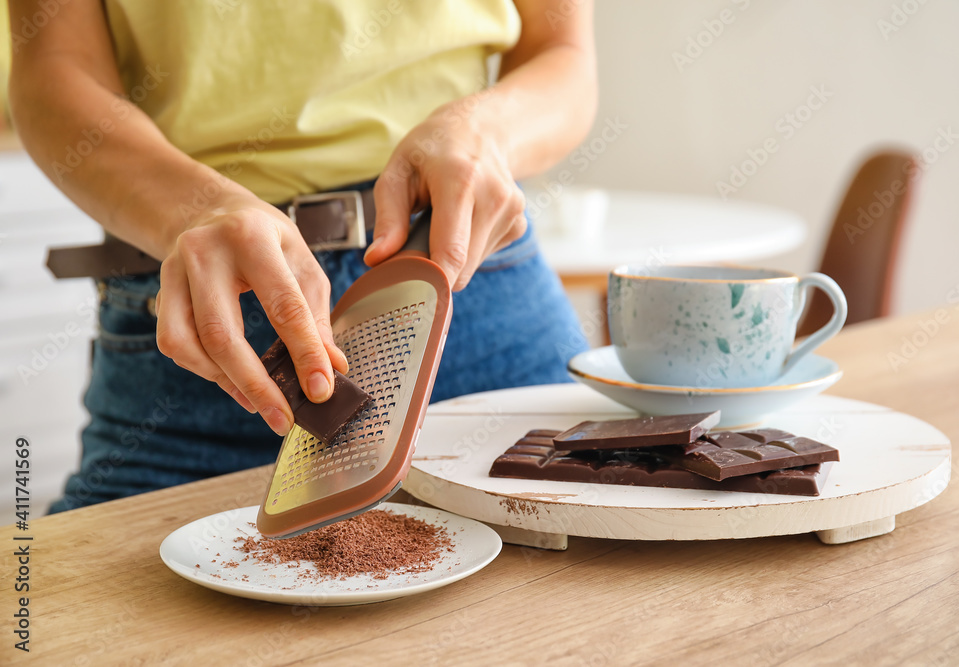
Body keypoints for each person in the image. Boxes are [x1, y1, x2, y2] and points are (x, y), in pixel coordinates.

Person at [9, 0, 597, 512]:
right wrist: (195, 207)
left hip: (468, 289)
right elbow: (54, 71)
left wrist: (482, 130)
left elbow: (564, 55)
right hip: (202, 336)